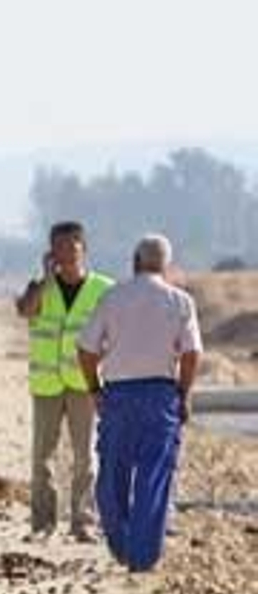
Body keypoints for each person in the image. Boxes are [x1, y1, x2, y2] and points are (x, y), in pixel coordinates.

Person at [77, 234, 201, 574]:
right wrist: (184, 393)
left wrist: (94, 388)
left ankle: (120, 543)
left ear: (135, 260)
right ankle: (142, 557)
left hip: (118, 395)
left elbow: (86, 350)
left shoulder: (112, 297)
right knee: (154, 476)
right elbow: (191, 354)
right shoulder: (180, 301)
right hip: (160, 395)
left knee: (112, 474)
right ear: (166, 265)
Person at [15, 222, 114, 541]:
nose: (66, 255)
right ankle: (43, 524)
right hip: (46, 384)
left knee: (86, 455)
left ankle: (83, 522)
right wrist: (45, 279)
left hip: (85, 383)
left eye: (72, 248)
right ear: (50, 252)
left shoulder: (103, 289)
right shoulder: (40, 288)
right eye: (59, 248)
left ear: (84, 249)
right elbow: (26, 311)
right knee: (42, 456)